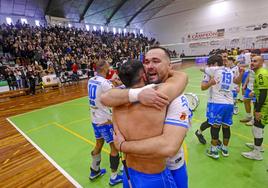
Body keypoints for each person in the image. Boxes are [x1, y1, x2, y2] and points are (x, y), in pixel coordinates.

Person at [101, 47, 188, 187]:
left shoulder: (174, 98)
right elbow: (105, 97)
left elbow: (169, 146)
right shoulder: (133, 92)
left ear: (169, 65)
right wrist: (138, 94)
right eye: (146, 62)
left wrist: (123, 146)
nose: (150, 66)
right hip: (146, 173)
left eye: (156, 61)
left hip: (172, 167)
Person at [87, 59, 122, 186]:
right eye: (108, 67)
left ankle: (94, 170)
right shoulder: (105, 83)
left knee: (99, 144)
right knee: (114, 148)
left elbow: (103, 87)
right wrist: (117, 84)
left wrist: (111, 82)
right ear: (103, 69)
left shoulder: (91, 80)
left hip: (94, 119)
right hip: (105, 120)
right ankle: (114, 177)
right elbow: (116, 95)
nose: (110, 69)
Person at [204, 54, 244, 159]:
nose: (209, 66)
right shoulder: (230, 71)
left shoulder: (215, 69)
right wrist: (241, 74)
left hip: (217, 103)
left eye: (211, 64)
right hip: (230, 103)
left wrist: (206, 72)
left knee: (215, 126)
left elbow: (203, 69)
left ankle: (214, 150)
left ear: (215, 64)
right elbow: (236, 82)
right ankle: (225, 149)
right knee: (226, 127)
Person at [241, 55, 268, 160]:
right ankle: (258, 146)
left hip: (264, 106)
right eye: (252, 61)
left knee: (257, 128)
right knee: (258, 127)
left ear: (262, 62)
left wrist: (258, 110)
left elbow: (263, 93)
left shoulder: (261, 74)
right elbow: (261, 90)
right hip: (262, 104)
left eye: (255, 61)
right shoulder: (259, 72)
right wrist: (254, 92)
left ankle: (257, 153)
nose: (252, 63)